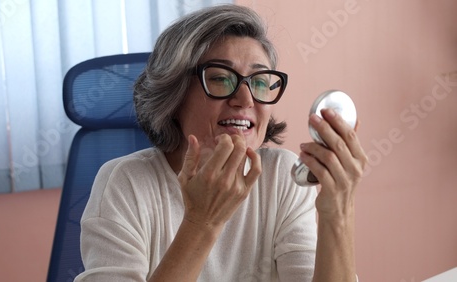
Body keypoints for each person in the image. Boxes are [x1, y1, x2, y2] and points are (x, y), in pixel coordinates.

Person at [75, 4, 367, 282]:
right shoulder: (126, 184)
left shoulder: (282, 177)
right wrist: (202, 221)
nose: (246, 99)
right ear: (174, 95)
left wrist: (338, 208)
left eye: (260, 81)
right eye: (220, 78)